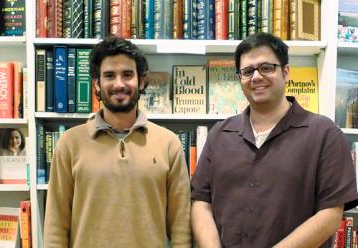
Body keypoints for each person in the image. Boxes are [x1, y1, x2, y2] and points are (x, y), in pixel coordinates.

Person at [191, 32, 358, 248]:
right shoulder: (220, 135)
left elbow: (331, 214)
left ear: (286, 72)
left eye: (266, 68)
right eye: (247, 71)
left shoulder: (324, 134)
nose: (257, 77)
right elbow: (201, 202)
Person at [44, 36, 192, 247]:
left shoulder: (169, 144)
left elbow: (181, 227)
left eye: (127, 75)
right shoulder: (69, 144)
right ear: (97, 84)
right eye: (109, 75)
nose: (119, 84)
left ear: (141, 81)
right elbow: (56, 225)